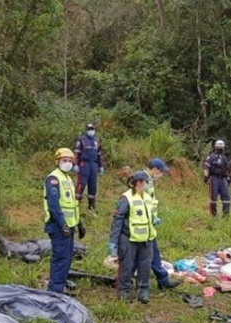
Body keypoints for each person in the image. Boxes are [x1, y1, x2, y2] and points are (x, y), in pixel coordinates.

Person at [108, 171, 156, 303]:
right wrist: (113, 241)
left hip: (146, 239)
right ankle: (124, 291)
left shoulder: (147, 197)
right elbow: (117, 220)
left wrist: (154, 219)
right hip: (129, 238)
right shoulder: (126, 198)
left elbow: (150, 213)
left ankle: (143, 290)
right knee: (127, 266)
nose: (148, 185)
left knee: (145, 265)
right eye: (146, 182)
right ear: (139, 183)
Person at [44, 148, 85, 293]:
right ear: (57, 162)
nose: (67, 163)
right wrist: (63, 225)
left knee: (67, 257)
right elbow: (54, 205)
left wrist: (78, 222)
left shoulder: (67, 179)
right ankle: (55, 291)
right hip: (58, 226)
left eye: (70, 161)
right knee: (60, 257)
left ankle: (60, 284)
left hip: (69, 226)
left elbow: (72, 204)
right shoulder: (53, 179)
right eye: (64, 160)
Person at [144, 157, 178, 289]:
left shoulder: (149, 180)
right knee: (148, 253)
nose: (161, 174)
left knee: (153, 252)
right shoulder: (144, 181)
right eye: (161, 172)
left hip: (148, 224)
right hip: (142, 225)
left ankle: (162, 279)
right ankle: (161, 280)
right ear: (155, 169)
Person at [74, 123, 104, 210]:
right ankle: (76, 205)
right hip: (84, 165)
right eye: (89, 129)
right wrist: (75, 164)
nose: (91, 130)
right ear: (87, 130)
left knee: (93, 186)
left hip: (93, 165)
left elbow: (98, 155)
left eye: (92, 129)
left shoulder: (96, 141)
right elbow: (77, 153)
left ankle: (91, 206)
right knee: (81, 184)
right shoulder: (82, 139)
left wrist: (100, 166)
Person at [203, 139, 230, 217]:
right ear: (216, 147)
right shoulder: (211, 157)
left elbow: (226, 169)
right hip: (213, 178)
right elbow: (206, 166)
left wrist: (228, 177)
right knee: (213, 197)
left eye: (221, 147)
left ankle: (226, 215)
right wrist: (205, 176)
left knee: (226, 197)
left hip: (222, 179)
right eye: (219, 147)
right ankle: (213, 215)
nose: (220, 148)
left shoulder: (224, 158)